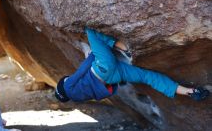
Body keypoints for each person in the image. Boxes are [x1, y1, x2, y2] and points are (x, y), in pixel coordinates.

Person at [55, 27, 210, 103]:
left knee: (147, 77)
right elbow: (82, 71)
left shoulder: (81, 96)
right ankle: (123, 48)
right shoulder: (68, 86)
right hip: (102, 67)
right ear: (63, 86)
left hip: (113, 77)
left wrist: (115, 82)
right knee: (89, 31)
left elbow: (103, 93)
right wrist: (91, 56)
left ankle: (190, 91)